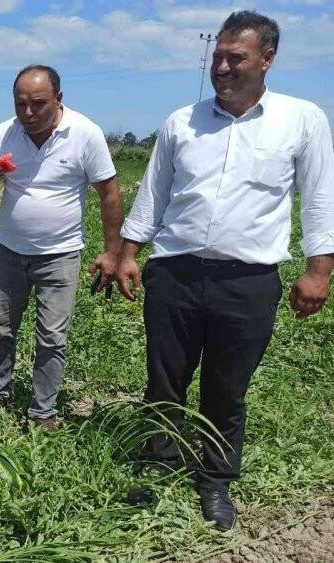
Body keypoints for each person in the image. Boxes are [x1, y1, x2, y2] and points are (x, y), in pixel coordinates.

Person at [115, 11, 333, 531]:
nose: (223, 67)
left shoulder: (301, 120)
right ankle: (160, 464)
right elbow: (153, 194)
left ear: (267, 59)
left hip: (248, 280)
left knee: (227, 387)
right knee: (164, 380)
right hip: (175, 273)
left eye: (236, 57)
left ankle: (215, 479)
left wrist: (319, 268)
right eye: (218, 56)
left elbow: (320, 198)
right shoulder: (181, 122)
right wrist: (127, 253)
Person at [0, 65, 124, 430]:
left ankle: (43, 412)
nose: (28, 113)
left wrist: (112, 251)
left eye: (38, 104)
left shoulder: (85, 134)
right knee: (2, 327)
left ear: (59, 99)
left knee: (52, 335)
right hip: (10, 249)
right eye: (20, 104)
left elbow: (109, 193)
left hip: (61, 253)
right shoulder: (4, 133)